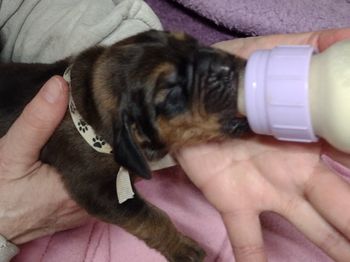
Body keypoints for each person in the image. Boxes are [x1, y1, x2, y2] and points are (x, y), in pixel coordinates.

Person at [1, 28, 350, 262]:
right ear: (130, 140)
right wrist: (171, 242)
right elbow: (110, 196)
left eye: (193, 47)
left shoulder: (106, 98)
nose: (222, 69)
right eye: (174, 92)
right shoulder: (93, 153)